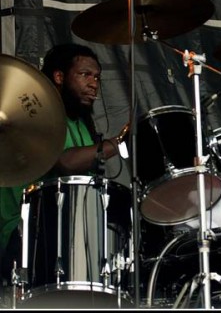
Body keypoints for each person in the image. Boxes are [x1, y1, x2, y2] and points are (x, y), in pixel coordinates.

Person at [0, 43, 129, 302]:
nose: (94, 84)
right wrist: (122, 141)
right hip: (24, 234)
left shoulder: (81, 123)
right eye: (85, 75)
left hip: (61, 237)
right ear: (59, 77)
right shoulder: (34, 116)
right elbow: (65, 163)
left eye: (97, 77)